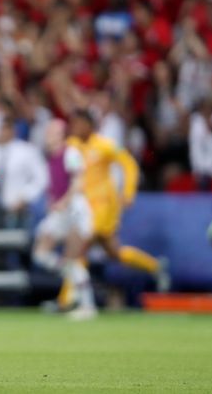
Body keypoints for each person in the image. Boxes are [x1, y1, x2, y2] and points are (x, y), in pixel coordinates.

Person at [67, 110, 170, 294]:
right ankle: (155, 267)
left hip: (104, 205)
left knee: (80, 246)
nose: (75, 128)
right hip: (84, 206)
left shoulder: (104, 145)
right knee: (114, 252)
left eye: (79, 124)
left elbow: (128, 163)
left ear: (89, 125)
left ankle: (68, 299)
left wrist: (128, 192)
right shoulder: (73, 145)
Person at [31, 119, 96, 319]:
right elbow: (54, 186)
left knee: (73, 259)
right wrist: (53, 201)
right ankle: (73, 281)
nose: (48, 134)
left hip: (76, 211)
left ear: (61, 134)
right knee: (40, 253)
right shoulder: (50, 158)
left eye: (53, 131)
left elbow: (78, 181)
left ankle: (87, 306)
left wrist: (64, 202)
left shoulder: (71, 153)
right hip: (61, 213)